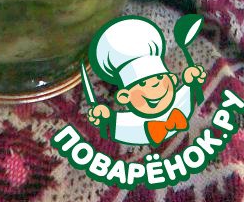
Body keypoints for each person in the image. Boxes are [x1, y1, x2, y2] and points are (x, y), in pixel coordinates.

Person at [87, 16, 207, 146]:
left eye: (159, 78)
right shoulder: (130, 125)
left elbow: (189, 92)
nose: (154, 88)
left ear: (172, 79)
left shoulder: (181, 101)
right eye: (143, 83)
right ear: (124, 96)